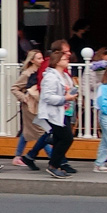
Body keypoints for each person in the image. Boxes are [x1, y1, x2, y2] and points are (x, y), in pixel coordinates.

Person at [36, 48, 78, 179]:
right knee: (67, 138)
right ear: (57, 61)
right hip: (53, 113)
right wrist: (65, 98)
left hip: (64, 111)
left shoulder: (64, 76)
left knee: (61, 138)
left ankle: (56, 164)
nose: (67, 60)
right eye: (64, 59)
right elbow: (47, 97)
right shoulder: (50, 77)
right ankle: (53, 165)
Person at [11, 50, 47, 167]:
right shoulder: (27, 73)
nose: (41, 60)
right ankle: (57, 159)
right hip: (30, 107)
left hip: (37, 105)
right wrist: (23, 97)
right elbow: (14, 88)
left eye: (42, 58)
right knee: (43, 132)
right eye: (38, 58)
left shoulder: (41, 72)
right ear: (32, 60)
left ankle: (18, 156)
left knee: (27, 131)